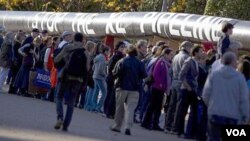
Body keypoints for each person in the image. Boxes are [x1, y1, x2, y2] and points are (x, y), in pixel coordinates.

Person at [203, 52, 249, 141]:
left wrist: (211, 106)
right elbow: (244, 99)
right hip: (233, 116)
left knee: (213, 138)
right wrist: (245, 115)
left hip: (215, 113)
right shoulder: (240, 78)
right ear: (233, 62)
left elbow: (206, 94)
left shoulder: (214, 74)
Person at [54, 32, 89, 132]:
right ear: (82, 40)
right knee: (71, 102)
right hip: (78, 80)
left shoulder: (68, 47)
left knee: (59, 97)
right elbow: (87, 68)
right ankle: (66, 126)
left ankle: (60, 117)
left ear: (74, 38)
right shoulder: (85, 52)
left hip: (66, 76)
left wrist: (66, 61)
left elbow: (56, 59)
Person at [110, 45, 147, 135]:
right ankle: (128, 126)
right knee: (130, 109)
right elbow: (144, 75)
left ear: (127, 52)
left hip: (121, 87)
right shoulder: (140, 63)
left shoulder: (122, 61)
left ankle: (117, 126)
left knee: (119, 108)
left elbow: (115, 73)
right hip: (135, 88)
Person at [164, 41, 193, 134]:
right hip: (182, 84)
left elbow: (170, 72)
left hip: (174, 83)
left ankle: (167, 126)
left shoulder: (175, 56)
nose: (191, 49)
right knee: (179, 107)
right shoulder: (187, 58)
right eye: (190, 47)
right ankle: (174, 127)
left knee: (171, 106)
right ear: (187, 47)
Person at [175, 45, 203, 138]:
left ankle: (191, 131)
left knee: (194, 111)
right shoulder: (189, 62)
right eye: (200, 51)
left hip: (193, 90)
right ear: (195, 53)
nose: (202, 53)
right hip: (186, 89)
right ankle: (179, 130)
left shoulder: (197, 63)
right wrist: (187, 87)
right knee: (183, 111)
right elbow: (181, 75)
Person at [142, 48, 173, 131]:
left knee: (157, 107)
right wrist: (161, 85)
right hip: (157, 87)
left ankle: (154, 123)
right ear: (165, 54)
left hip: (160, 88)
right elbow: (156, 75)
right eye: (170, 55)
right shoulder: (161, 62)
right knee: (153, 106)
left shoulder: (165, 63)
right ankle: (147, 122)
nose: (171, 57)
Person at [104, 41, 126, 118]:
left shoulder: (123, 57)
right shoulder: (115, 56)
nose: (123, 48)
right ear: (117, 48)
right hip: (111, 79)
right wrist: (114, 77)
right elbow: (110, 69)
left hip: (117, 79)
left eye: (124, 47)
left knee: (114, 96)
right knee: (109, 95)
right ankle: (106, 111)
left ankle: (110, 111)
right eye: (121, 47)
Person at [91, 45, 110, 113]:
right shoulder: (102, 58)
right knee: (104, 92)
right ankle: (98, 107)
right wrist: (105, 75)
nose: (109, 53)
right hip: (100, 77)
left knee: (96, 91)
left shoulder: (98, 56)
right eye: (109, 51)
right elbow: (100, 70)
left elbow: (93, 68)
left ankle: (93, 106)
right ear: (105, 51)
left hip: (95, 75)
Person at [83, 41, 97, 110]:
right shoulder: (90, 55)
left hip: (88, 73)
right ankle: (87, 105)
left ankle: (85, 104)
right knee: (90, 89)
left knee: (88, 89)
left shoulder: (88, 54)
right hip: (89, 73)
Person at [47, 36, 60, 102]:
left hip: (55, 68)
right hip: (51, 67)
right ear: (54, 41)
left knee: (54, 83)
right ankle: (49, 96)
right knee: (52, 82)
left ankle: (51, 97)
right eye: (58, 40)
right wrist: (45, 67)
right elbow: (46, 59)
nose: (59, 42)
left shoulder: (58, 49)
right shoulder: (50, 49)